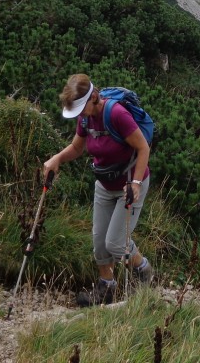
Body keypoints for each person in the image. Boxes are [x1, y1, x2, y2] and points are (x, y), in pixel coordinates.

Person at [43, 74, 153, 306]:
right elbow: (76, 147)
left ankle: (144, 272)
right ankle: (106, 288)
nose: (80, 114)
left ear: (94, 96)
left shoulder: (116, 114)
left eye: (82, 108)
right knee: (100, 243)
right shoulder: (85, 118)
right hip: (104, 184)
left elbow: (143, 148)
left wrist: (135, 184)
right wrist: (57, 159)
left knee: (116, 242)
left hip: (129, 185)